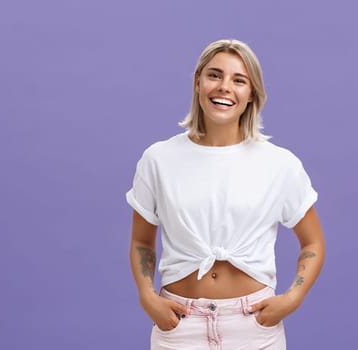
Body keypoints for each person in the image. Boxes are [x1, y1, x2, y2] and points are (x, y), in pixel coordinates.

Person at [126, 38, 325, 350]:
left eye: (239, 80)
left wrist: (293, 298)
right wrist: (147, 297)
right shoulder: (158, 159)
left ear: (251, 94)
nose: (224, 87)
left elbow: (312, 242)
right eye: (214, 75)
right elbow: (141, 240)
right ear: (198, 82)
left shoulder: (279, 164)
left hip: (253, 327)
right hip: (179, 326)